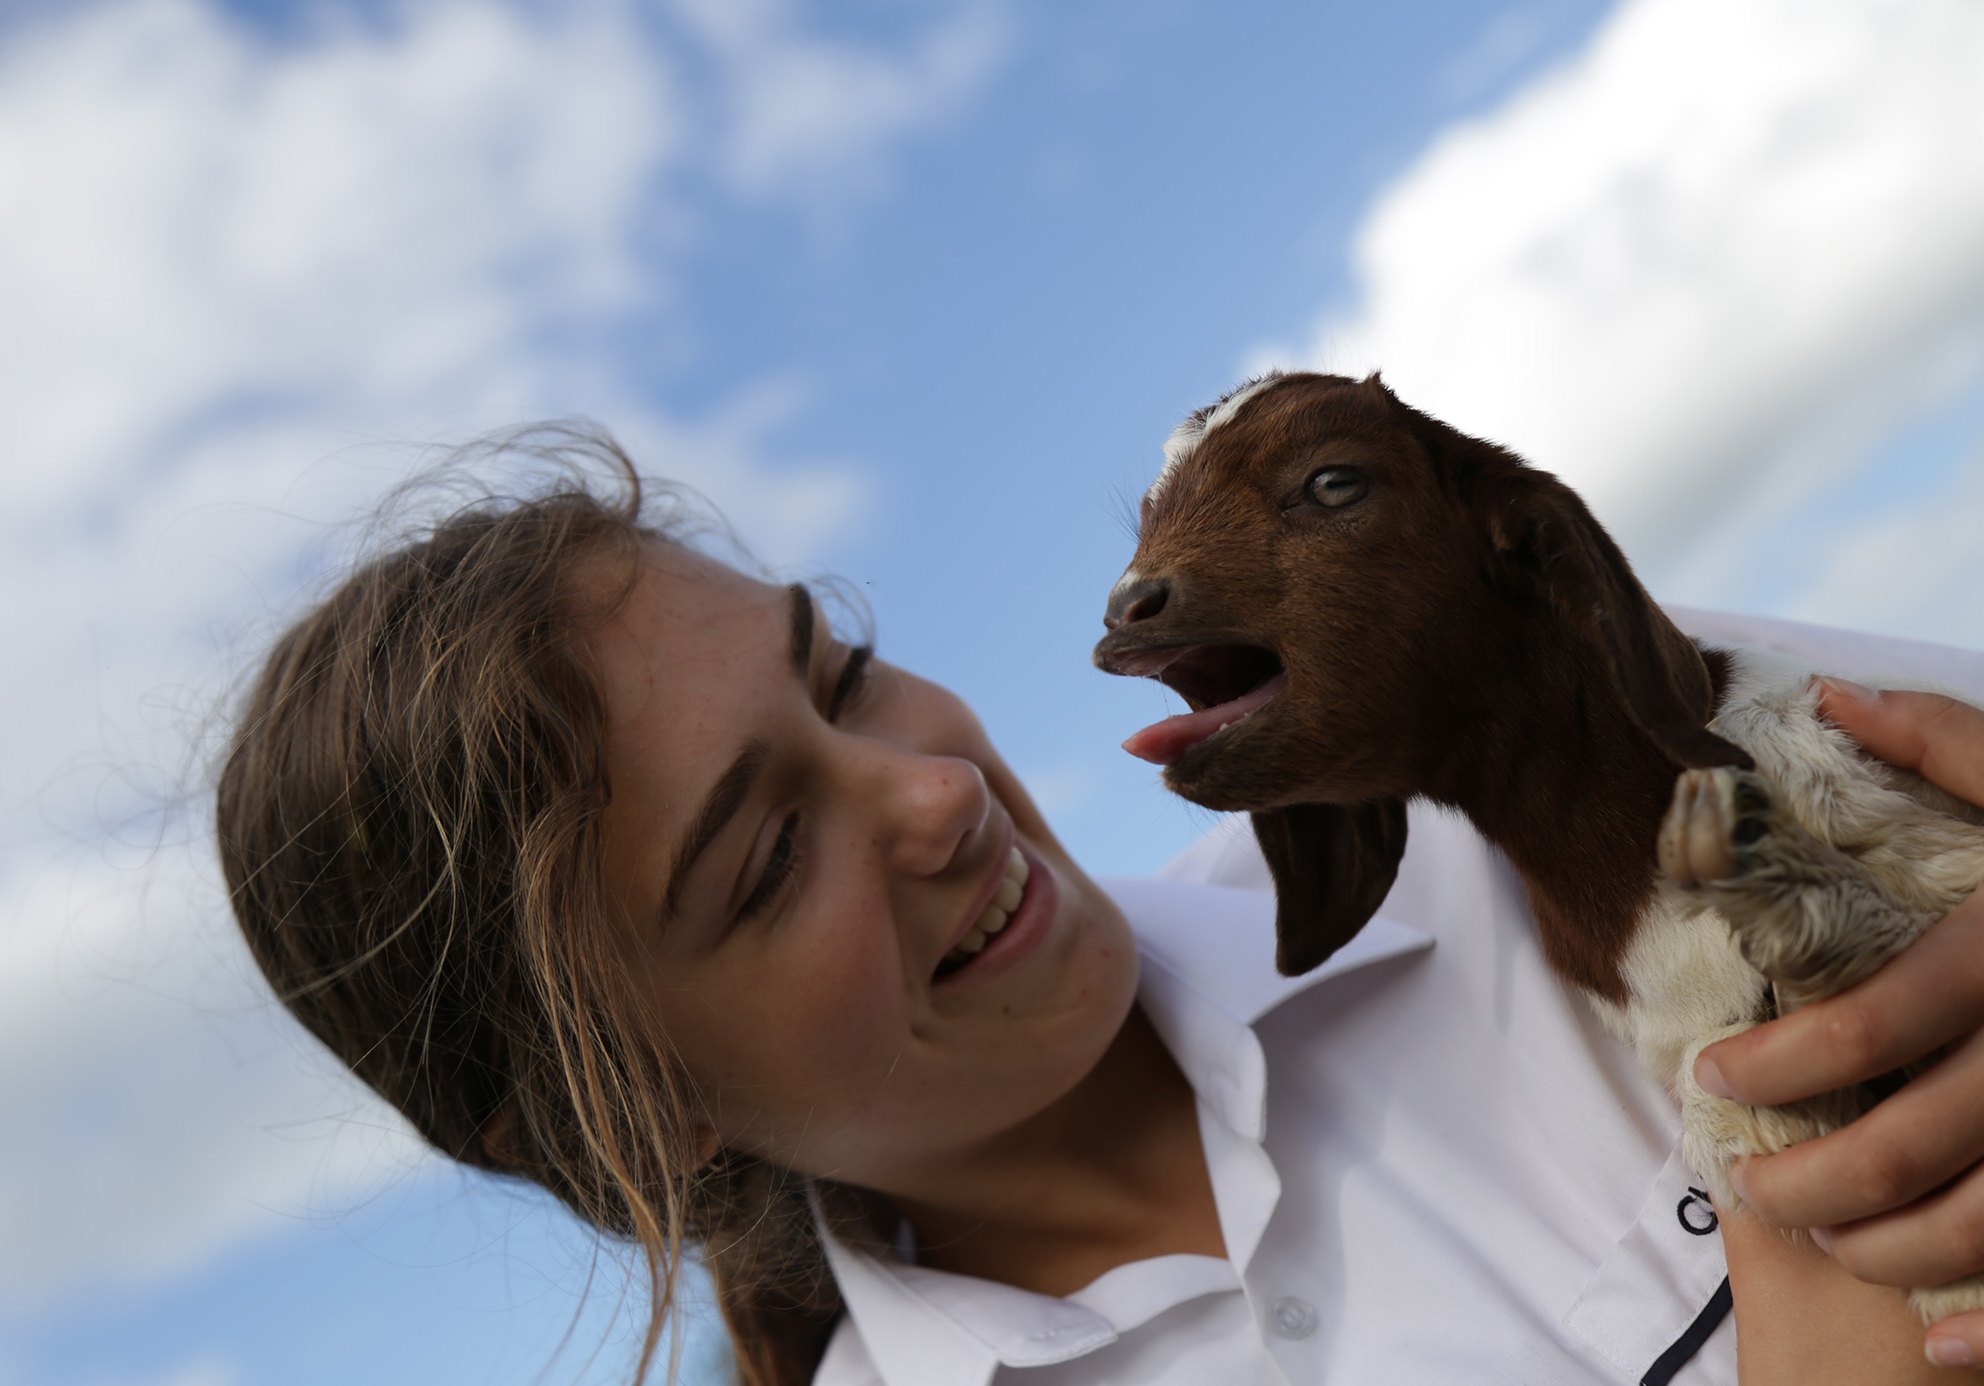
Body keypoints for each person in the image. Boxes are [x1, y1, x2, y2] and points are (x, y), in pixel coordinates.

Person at [216, 434, 1984, 1385]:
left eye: (842, 680)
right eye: (765, 864)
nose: (930, 792)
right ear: (651, 1115)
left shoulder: (1555, 779)